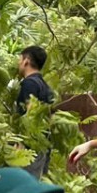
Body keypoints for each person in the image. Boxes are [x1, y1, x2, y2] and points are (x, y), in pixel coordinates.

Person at [16, 45, 56, 177]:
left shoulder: (30, 84)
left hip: (30, 147)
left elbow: (31, 116)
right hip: (42, 144)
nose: (18, 62)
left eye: (20, 59)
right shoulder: (44, 84)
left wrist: (21, 142)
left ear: (26, 61)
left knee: (25, 187)